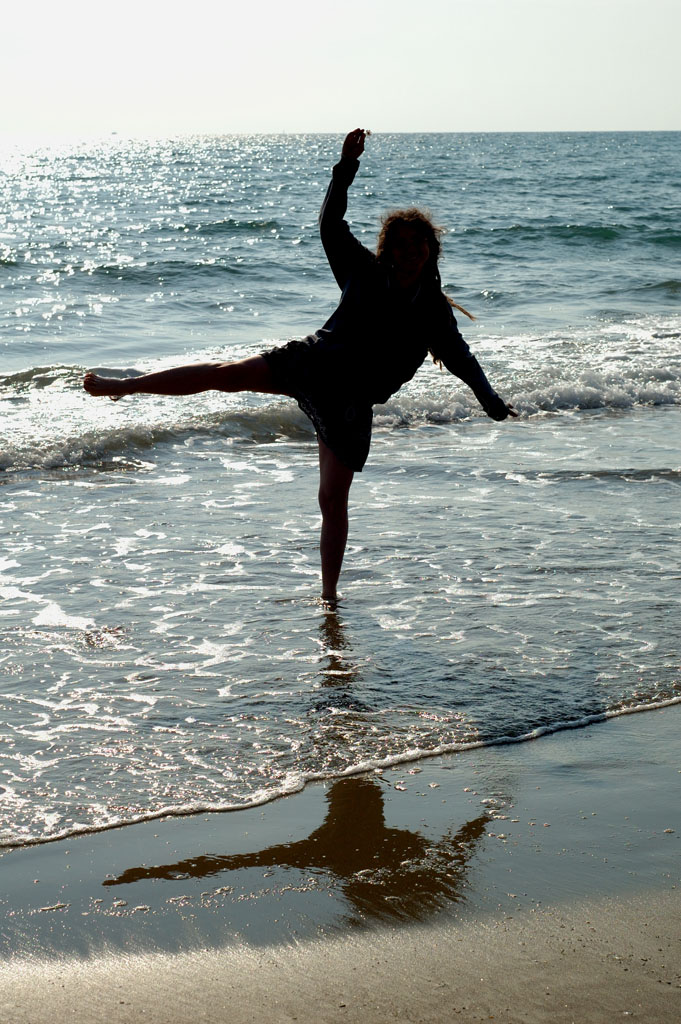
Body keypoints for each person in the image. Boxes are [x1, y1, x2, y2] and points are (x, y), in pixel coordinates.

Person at [84, 129, 516, 604]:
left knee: (332, 500)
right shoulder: (362, 270)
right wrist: (345, 166)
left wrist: (490, 400)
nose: (411, 251)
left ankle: (329, 597)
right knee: (223, 375)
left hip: (351, 404)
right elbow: (330, 222)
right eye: (402, 244)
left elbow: (460, 358)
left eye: (420, 245)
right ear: (388, 249)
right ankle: (125, 385)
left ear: (431, 251)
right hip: (312, 363)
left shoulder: (433, 309)